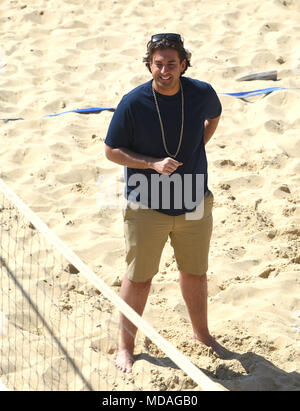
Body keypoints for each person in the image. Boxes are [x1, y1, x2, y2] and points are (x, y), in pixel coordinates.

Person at [104, 33, 227, 373]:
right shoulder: (133, 103)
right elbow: (112, 151)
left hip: (193, 200)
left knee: (195, 274)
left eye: (172, 63)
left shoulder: (201, 93)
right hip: (146, 206)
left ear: (183, 64)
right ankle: (126, 349)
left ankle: (202, 335)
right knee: (139, 278)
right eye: (158, 64)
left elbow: (214, 116)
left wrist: (199, 143)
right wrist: (151, 163)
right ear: (150, 66)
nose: (165, 70)